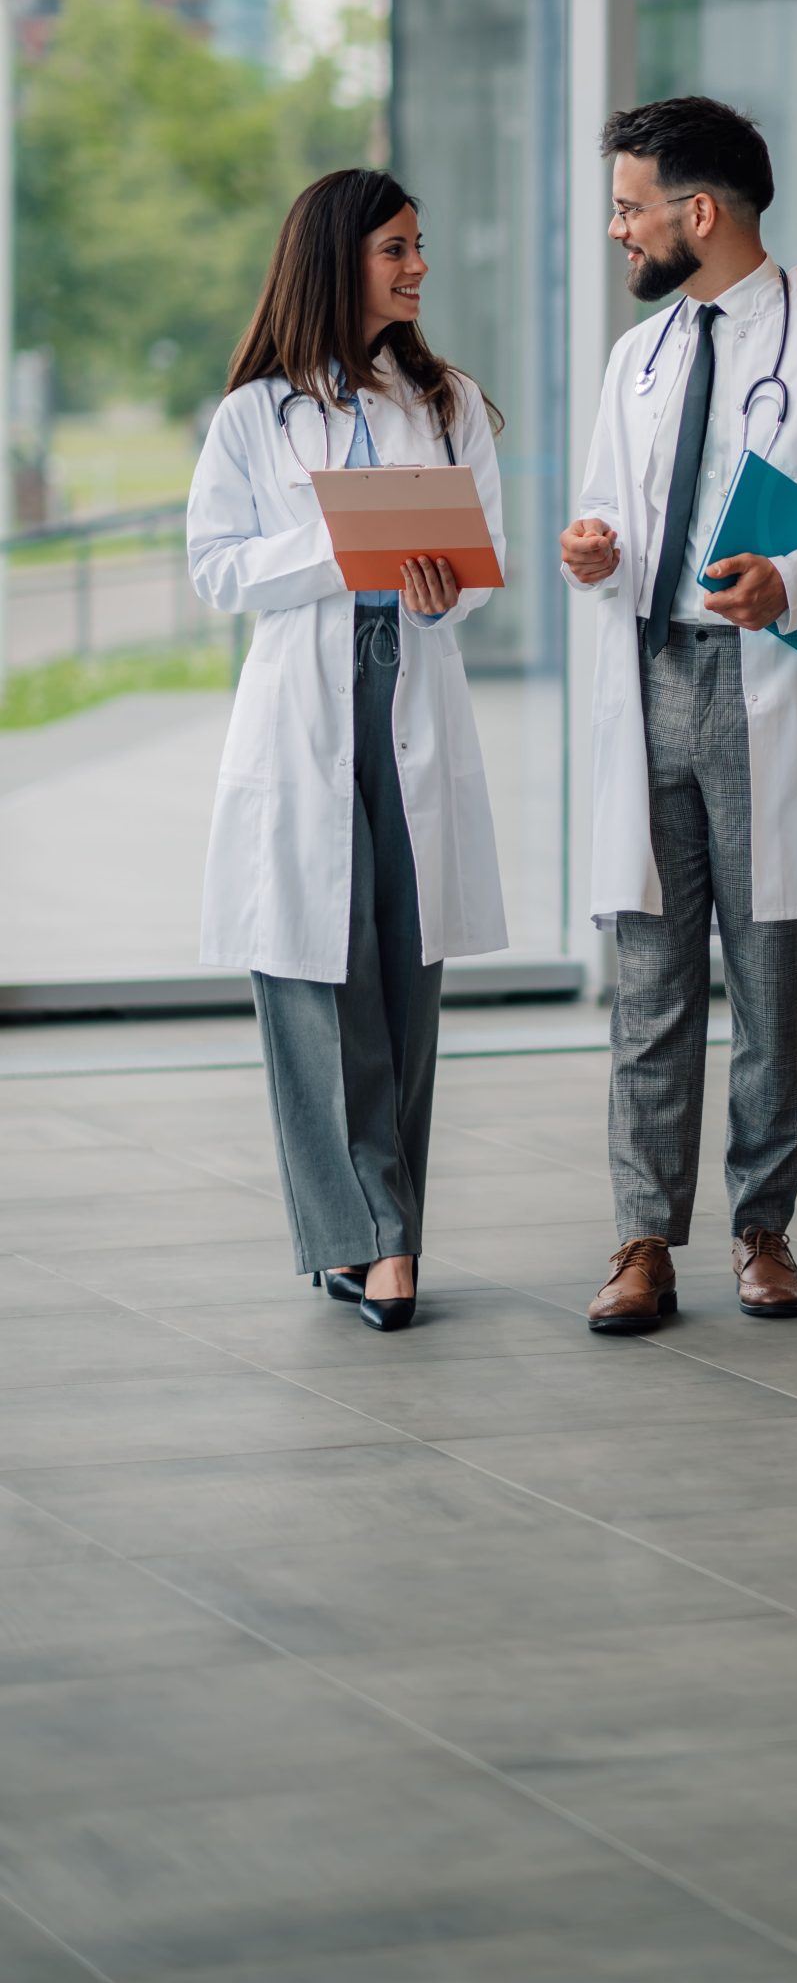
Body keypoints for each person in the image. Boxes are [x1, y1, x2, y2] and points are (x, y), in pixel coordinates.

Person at [561, 96, 797, 1334]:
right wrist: (592, 547)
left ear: (699, 212)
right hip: (653, 673)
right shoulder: (641, 357)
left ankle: (761, 1226)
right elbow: (611, 509)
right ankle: (640, 1239)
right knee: (650, 980)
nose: (619, 231)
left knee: (775, 984)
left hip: (775, 682)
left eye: (631, 208)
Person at [187, 168, 507, 1331]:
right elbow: (219, 566)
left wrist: (433, 590)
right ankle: (376, 1242)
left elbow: (482, 566)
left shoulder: (451, 401)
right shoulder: (254, 414)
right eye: (396, 249)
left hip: (406, 690)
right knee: (317, 984)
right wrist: (342, 544)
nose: (418, 266)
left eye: (420, 245)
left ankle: (379, 1237)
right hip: (303, 710)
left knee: (402, 980)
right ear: (337, 259)